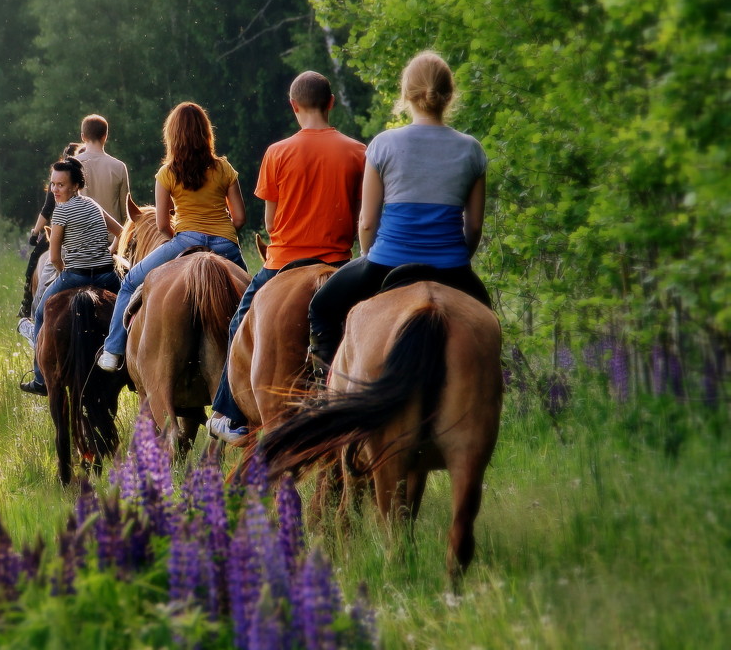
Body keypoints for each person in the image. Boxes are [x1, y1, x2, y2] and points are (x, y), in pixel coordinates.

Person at [207, 71, 366, 444]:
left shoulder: (277, 153)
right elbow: (363, 216)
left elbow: (270, 220)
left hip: (282, 264)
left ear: (294, 106)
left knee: (239, 324)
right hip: (339, 267)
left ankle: (230, 415)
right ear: (331, 103)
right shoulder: (359, 152)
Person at [306, 50, 490, 367]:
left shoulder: (384, 144)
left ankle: (324, 385)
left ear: (406, 94)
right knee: (489, 326)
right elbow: (473, 227)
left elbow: (367, 222)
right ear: (449, 96)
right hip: (452, 266)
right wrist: (458, 259)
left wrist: (368, 256)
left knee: (321, 308)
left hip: (386, 261)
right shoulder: (471, 149)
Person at [97, 102, 247, 372]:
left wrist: (178, 236)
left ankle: (113, 350)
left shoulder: (167, 174)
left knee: (130, 282)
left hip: (185, 240)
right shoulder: (224, 168)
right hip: (226, 245)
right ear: (206, 133)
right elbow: (239, 220)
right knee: (253, 296)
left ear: (172, 136)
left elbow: (163, 224)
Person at [23, 156, 124, 395]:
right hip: (107, 276)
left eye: (61, 185)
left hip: (76, 276)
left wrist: (64, 273)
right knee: (131, 312)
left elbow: (55, 257)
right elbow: (122, 231)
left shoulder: (61, 213)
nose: (55, 190)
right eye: (53, 184)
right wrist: (108, 252)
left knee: (39, 314)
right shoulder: (93, 205)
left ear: (75, 185)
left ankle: (40, 378)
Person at [17, 143, 81, 321]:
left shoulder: (61, 179)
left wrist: (35, 232)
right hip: (101, 235)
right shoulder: (87, 196)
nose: (55, 188)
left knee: (34, 259)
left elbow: (47, 209)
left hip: (61, 232)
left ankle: (27, 303)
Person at [74, 114, 131, 237]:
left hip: (82, 240)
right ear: (105, 136)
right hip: (112, 240)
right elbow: (126, 211)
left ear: (83, 137)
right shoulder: (119, 167)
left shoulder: (72, 165)